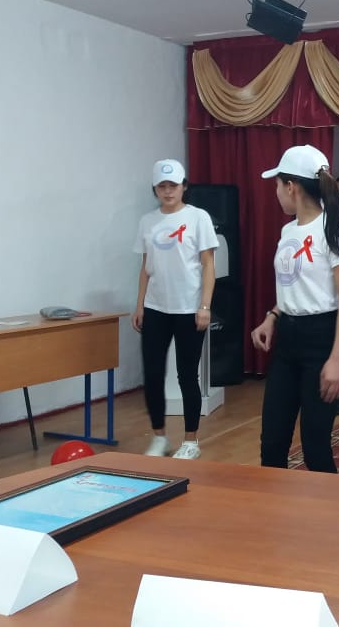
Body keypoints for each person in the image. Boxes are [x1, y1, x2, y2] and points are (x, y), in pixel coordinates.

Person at [252, 145, 339, 473]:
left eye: (276, 185)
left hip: (322, 340)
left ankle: (326, 507)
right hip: (287, 341)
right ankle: (275, 504)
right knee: (272, 443)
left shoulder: (334, 229)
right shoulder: (288, 231)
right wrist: (272, 316)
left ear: (291, 187)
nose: (275, 193)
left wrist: (337, 360)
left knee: (315, 446)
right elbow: (294, 286)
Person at [132, 158, 218, 459]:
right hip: (156, 307)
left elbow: (208, 265)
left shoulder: (198, 218)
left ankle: (190, 440)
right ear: (155, 189)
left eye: (173, 185)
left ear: (184, 187)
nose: (168, 191)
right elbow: (145, 266)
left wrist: (205, 305)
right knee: (153, 373)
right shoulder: (147, 222)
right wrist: (140, 304)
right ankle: (159, 437)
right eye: (162, 186)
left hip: (189, 308)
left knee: (187, 375)